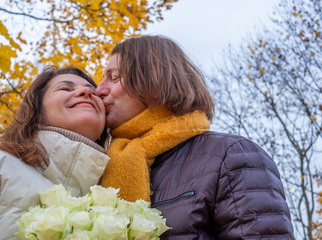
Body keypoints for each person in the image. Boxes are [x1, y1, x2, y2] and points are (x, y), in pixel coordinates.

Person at [95, 35, 294, 239]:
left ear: (154, 80)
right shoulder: (103, 163)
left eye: (114, 77)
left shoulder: (230, 155)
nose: (99, 90)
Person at [0, 67, 110, 239]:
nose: (85, 92)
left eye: (95, 93)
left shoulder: (114, 197)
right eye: (65, 88)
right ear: (36, 111)